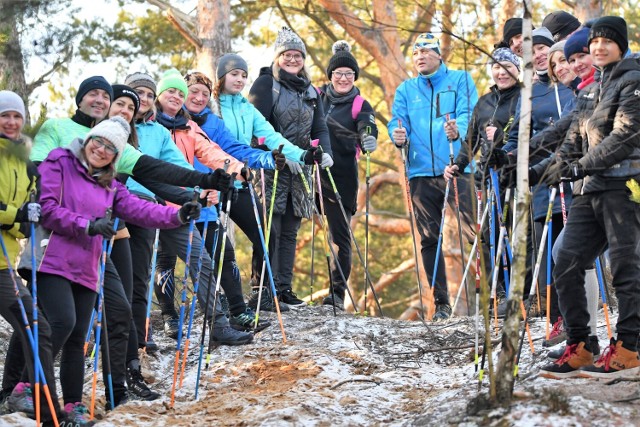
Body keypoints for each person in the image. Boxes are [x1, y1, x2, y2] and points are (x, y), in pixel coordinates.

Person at [33, 116, 199, 423]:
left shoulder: (110, 183)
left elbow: (141, 209)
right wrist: (88, 225)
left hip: (86, 266)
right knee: (62, 323)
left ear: (116, 155)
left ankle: (72, 406)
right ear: (89, 139)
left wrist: (177, 216)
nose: (101, 149)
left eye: (111, 147)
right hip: (52, 258)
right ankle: (33, 391)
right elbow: (47, 208)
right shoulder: (61, 160)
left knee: (76, 337)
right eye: (98, 141)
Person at [122, 71, 254, 347]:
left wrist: (209, 183)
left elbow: (181, 165)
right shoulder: (118, 129)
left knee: (201, 260)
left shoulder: (165, 131)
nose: (144, 99)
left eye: (148, 93)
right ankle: (139, 332)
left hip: (169, 205)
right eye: (140, 94)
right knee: (140, 271)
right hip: (127, 206)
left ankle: (218, 325)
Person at [540, 16, 640, 379]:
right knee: (566, 258)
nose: (598, 48)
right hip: (590, 190)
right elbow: (571, 137)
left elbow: (626, 135)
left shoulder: (633, 79)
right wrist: (546, 168)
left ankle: (630, 347)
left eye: (606, 42)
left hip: (624, 187)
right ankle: (582, 345)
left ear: (621, 44)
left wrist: (579, 166)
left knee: (627, 269)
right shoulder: (592, 87)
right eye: (594, 42)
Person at [152, 68, 281, 334]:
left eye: (200, 93)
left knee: (223, 255)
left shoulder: (191, 127)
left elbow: (214, 152)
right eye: (175, 92)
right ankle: (169, 317)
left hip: (200, 201)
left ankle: (237, 313)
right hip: (163, 207)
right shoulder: (150, 127)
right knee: (166, 261)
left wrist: (237, 168)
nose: (191, 97)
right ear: (159, 95)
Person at [388, 32, 479, 320]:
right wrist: (397, 136)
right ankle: (441, 304)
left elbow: (470, 114)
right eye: (416, 53)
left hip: (458, 168)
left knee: (475, 233)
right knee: (429, 239)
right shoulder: (405, 89)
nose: (420, 57)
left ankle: (496, 294)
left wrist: (458, 130)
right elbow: (397, 122)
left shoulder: (460, 79)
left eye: (426, 51)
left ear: (439, 55)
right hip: (420, 173)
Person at [249, 27, 332, 308]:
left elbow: (319, 126)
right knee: (270, 226)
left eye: (297, 55)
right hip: (271, 166)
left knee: (290, 231)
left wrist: (324, 153)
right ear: (277, 57)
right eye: (287, 54)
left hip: (301, 170)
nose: (292, 59)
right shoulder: (265, 84)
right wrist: (274, 154)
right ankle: (263, 288)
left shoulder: (311, 91)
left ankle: (284, 288)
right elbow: (257, 127)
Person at [0, 90, 64, 426]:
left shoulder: (25, 163)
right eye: (4, 115)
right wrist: (18, 214)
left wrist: (29, 219)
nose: (11, 122)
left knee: (37, 328)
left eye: (16, 116)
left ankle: (47, 409)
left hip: (4, 265)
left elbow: (25, 223)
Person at [444, 47, 521, 314]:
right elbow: (470, 142)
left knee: (514, 234)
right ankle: (498, 294)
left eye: (507, 66)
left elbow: (520, 134)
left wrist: (499, 137)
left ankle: (519, 294)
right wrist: (457, 165)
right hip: (487, 178)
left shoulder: (523, 98)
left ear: (518, 70)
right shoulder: (484, 102)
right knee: (490, 236)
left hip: (515, 176)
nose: (501, 72)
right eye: (497, 67)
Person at [317, 41, 378, 310]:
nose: (343, 78)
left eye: (349, 74)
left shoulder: (359, 103)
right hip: (309, 171)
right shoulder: (316, 95)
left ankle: (336, 294)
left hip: (341, 177)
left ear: (355, 77)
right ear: (330, 76)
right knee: (289, 229)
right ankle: (281, 288)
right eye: (339, 73)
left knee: (339, 237)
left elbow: (368, 125)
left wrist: (368, 138)